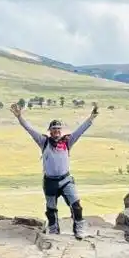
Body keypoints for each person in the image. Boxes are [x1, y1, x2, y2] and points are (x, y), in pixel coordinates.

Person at [10, 101, 98, 239]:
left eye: (58, 129)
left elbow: (80, 130)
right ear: (50, 131)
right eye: (54, 129)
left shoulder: (67, 142)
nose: (56, 131)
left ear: (60, 131)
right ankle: (53, 231)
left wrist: (91, 117)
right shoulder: (43, 141)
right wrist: (19, 117)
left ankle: (79, 229)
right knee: (51, 210)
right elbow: (29, 129)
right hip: (50, 182)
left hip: (66, 180)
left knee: (76, 206)